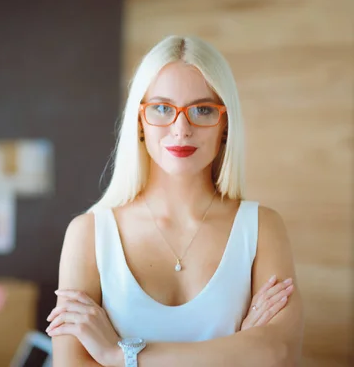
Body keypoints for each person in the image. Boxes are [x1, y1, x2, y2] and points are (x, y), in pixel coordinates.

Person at [45, 35, 304, 366]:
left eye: (203, 109)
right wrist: (237, 350)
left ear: (225, 125)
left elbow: (277, 354)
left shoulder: (263, 228)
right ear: (140, 121)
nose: (181, 129)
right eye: (163, 108)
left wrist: (121, 354)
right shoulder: (88, 234)